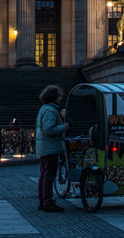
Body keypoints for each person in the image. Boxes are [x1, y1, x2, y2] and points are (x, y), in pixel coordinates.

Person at [36, 85, 69, 213]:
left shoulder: (45, 108)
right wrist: (64, 127)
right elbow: (48, 130)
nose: (61, 98)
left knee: (44, 175)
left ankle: (43, 200)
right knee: (49, 176)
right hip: (50, 147)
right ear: (53, 97)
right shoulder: (50, 110)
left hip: (45, 147)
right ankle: (48, 202)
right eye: (59, 96)